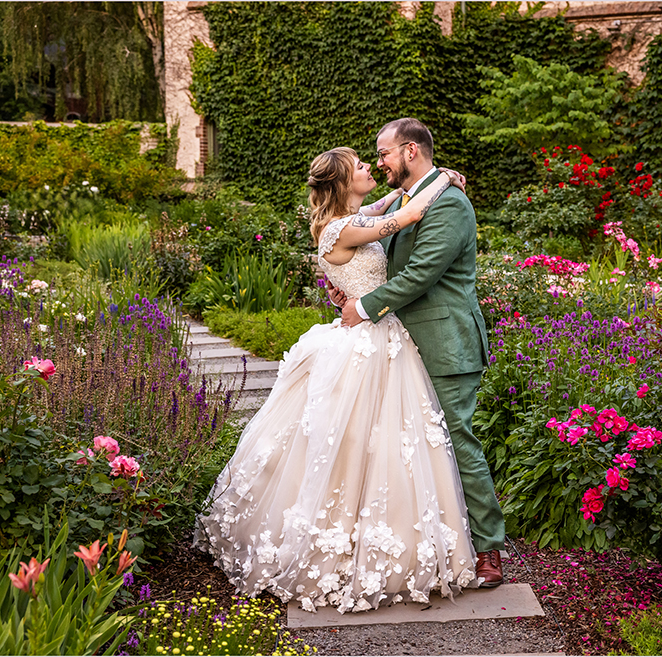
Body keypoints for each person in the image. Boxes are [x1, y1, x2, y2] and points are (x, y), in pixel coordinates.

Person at [195, 147, 478, 613]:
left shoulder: (351, 217)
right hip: (365, 339)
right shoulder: (341, 228)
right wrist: (442, 180)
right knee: (351, 441)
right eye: (361, 166)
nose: (370, 168)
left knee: (380, 440)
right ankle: (338, 542)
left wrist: (439, 173)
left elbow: (387, 207)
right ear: (344, 180)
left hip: (378, 333)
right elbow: (405, 214)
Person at [332, 118, 506, 587]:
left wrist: (363, 306)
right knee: (408, 448)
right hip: (398, 345)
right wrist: (355, 289)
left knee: (457, 441)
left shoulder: (449, 204)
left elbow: (423, 273)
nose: (380, 161)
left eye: (384, 152)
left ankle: (489, 550)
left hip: (445, 343)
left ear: (410, 151)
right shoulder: (412, 199)